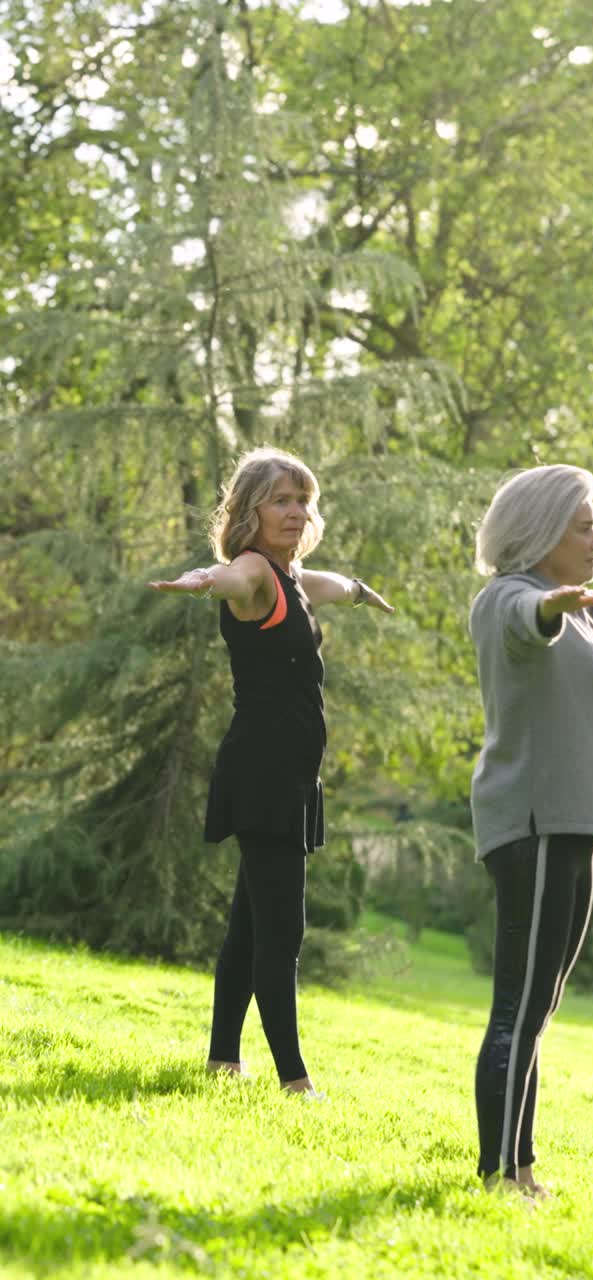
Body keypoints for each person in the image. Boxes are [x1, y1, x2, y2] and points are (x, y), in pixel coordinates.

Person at [149, 446, 392, 1096]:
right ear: (251, 511)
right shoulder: (254, 571)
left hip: (287, 773)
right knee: (283, 931)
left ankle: (223, 1058)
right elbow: (230, 579)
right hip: (263, 770)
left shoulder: (292, 579)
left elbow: (329, 586)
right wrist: (201, 578)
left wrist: (363, 593)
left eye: (303, 501)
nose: (295, 511)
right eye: (281, 500)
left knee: (249, 925)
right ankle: (295, 1080)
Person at [469, 464, 593, 1196]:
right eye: (585, 526)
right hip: (536, 822)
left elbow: (587, 609)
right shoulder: (508, 603)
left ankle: (521, 1168)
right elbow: (533, 621)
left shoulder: (579, 608)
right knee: (519, 1007)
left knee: (540, 1003)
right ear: (543, 532)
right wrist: (556, 604)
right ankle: (497, 1177)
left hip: (572, 825)